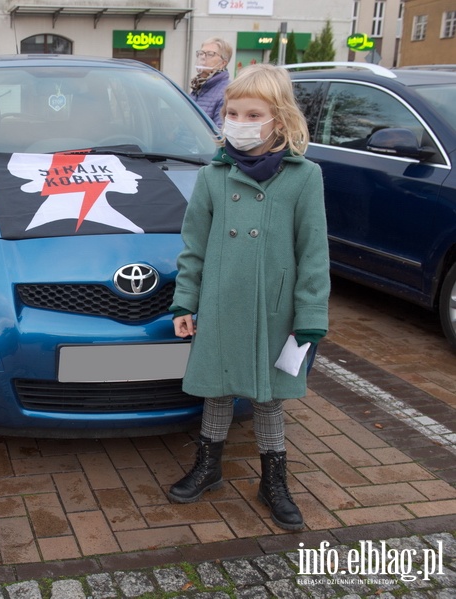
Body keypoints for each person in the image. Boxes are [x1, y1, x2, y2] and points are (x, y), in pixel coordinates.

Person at [168, 63, 330, 531]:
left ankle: (273, 479)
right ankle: (208, 465)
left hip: (273, 309)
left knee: (267, 397)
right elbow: (193, 246)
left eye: (251, 113)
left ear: (276, 119)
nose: (239, 122)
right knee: (216, 389)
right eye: (232, 112)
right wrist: (185, 302)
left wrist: (310, 316)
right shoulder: (213, 176)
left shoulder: (304, 177)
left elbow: (313, 253)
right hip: (220, 302)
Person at [189, 37, 232, 129]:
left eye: (210, 54)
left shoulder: (226, 92)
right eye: (201, 53)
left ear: (223, 63)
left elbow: (219, 134)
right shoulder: (198, 87)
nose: (203, 57)